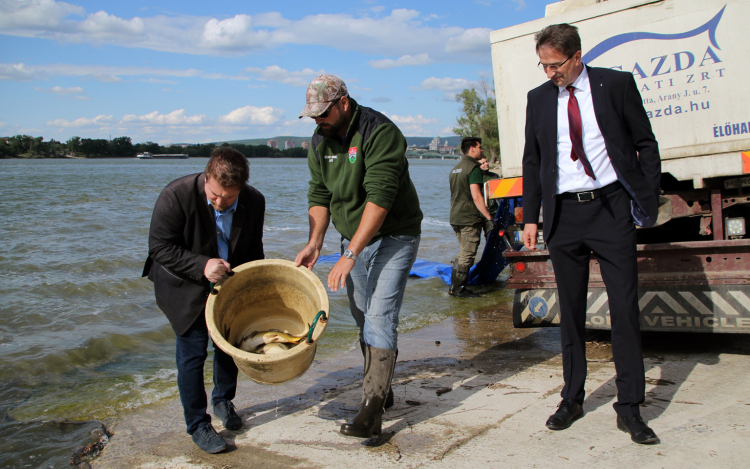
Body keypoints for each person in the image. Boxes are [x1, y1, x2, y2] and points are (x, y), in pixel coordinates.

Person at [521, 24, 661, 444]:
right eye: (543, 66)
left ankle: (630, 407)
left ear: (576, 56)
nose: (550, 73)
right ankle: (572, 398)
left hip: (611, 208)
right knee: (572, 316)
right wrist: (531, 217)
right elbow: (533, 159)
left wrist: (645, 199)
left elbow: (645, 143)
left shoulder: (615, 85)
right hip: (563, 215)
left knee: (624, 309)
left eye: (556, 65)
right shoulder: (538, 99)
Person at [294, 74, 422, 439]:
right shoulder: (319, 141)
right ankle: (382, 388)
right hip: (352, 239)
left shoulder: (380, 131)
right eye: (312, 114)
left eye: (323, 112)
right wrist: (316, 242)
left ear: (344, 102)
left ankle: (371, 410)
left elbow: (380, 196)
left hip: (394, 235)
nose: (318, 120)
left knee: (380, 315)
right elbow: (319, 193)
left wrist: (350, 253)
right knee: (363, 316)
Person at [142, 148, 265, 453]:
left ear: (243, 188)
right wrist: (202, 266)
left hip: (230, 282)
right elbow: (159, 247)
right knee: (193, 353)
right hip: (183, 283)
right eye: (214, 195)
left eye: (229, 197)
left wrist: (254, 287)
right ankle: (198, 424)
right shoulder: (175, 195)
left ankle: (223, 401)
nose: (220, 202)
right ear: (206, 176)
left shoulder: (255, 200)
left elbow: (253, 248)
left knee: (229, 345)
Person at [448, 137, 496, 297]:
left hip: (456, 216)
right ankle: (458, 290)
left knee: (463, 251)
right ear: (472, 149)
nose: (482, 150)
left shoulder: (456, 168)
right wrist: (488, 216)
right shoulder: (473, 168)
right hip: (469, 218)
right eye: (480, 147)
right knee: (468, 254)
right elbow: (476, 196)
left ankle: (455, 287)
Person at [479, 157, 500, 240]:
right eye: (483, 163)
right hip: (478, 213)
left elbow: (500, 196)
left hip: (492, 212)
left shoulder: (494, 176)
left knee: (492, 238)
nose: (486, 164)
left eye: (486, 162)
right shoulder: (475, 177)